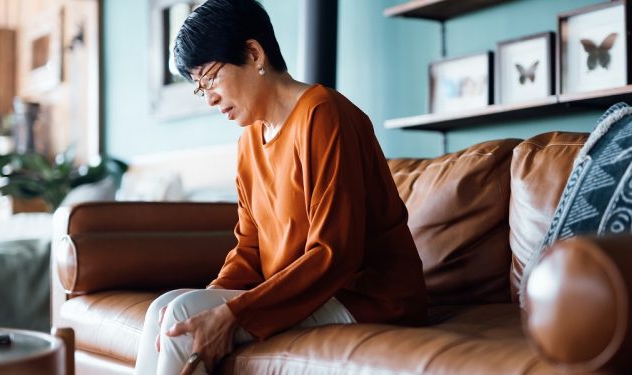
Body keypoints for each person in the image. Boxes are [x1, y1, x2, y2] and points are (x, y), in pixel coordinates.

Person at [134, 1, 427, 374]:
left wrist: (232, 314)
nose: (208, 98)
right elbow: (249, 250)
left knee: (180, 313)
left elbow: (333, 254)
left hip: (366, 298)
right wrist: (210, 303)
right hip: (307, 295)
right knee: (167, 309)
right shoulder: (249, 142)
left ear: (254, 53)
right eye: (199, 88)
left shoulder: (324, 115)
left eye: (210, 78)